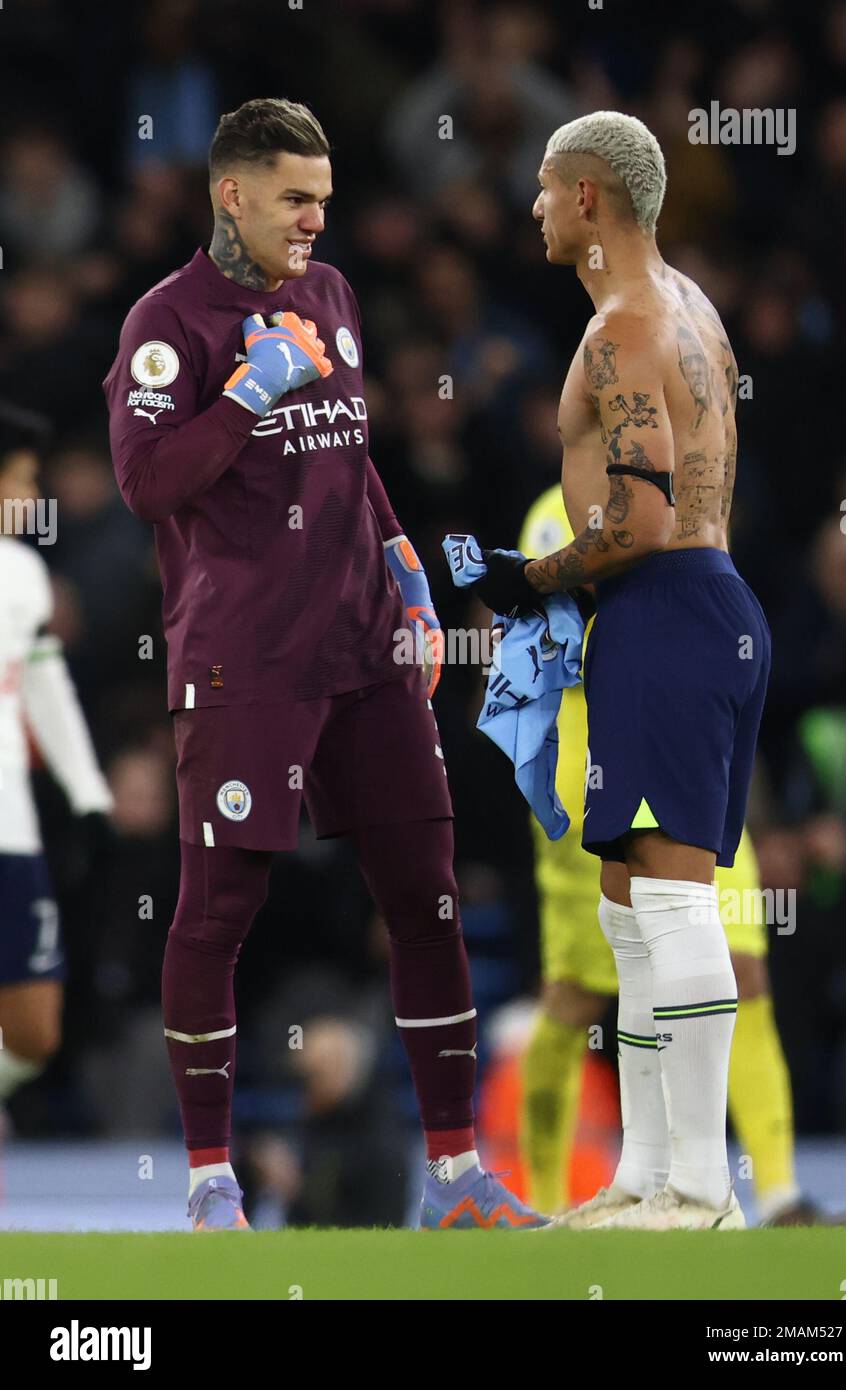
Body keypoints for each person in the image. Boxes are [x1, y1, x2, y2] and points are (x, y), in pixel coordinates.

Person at [103, 97, 543, 1231]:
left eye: (325, 203)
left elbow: (346, 450)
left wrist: (400, 557)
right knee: (219, 911)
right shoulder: (169, 325)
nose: (313, 222)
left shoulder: (331, 295)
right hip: (245, 659)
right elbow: (146, 482)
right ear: (229, 193)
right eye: (294, 200)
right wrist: (248, 396)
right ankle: (209, 1185)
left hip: (362, 650)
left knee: (427, 901)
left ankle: (454, 1176)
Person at [468, 111, 771, 1230]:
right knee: (630, 905)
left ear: (588, 195)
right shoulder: (685, 304)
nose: (534, 209)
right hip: (692, 609)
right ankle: (646, 1175)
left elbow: (637, 517)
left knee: (675, 901)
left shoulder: (620, 332)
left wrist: (532, 576)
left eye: (545, 191)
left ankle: (699, 1187)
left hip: (665, 610)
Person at [518, 484, 846, 1228]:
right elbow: (539, 631)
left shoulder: (687, 490)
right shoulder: (557, 511)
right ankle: (546, 1201)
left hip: (687, 739)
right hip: (589, 753)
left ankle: (775, 1193)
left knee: (745, 967)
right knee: (578, 995)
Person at [0, 403, 113, 1146]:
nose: (31, 498)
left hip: (12, 829)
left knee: (36, 1030)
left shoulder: (24, 573)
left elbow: (46, 688)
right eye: (21, 480)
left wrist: (89, 797)